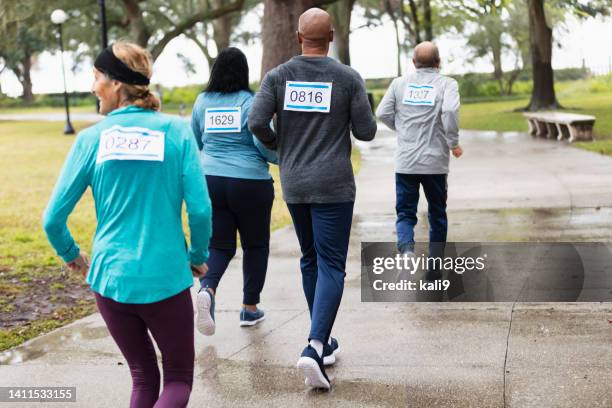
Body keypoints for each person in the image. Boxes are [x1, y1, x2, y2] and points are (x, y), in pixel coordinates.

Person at [42, 41, 212, 408]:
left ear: (117, 84)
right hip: (165, 276)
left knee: (142, 377)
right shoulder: (176, 132)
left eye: (97, 77)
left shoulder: (90, 140)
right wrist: (197, 255)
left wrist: (72, 255)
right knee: (178, 380)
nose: (92, 87)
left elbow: (53, 218)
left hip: (109, 279)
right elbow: (200, 210)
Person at [248, 8, 377, 389]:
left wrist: (280, 146)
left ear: (297, 36)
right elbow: (367, 132)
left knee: (310, 258)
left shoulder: (278, 77)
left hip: (296, 183)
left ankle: (321, 341)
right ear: (332, 37)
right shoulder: (347, 77)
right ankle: (314, 344)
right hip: (334, 184)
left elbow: (256, 122)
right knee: (332, 264)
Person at [191, 47, 278, 335]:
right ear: (244, 72)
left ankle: (208, 289)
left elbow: (197, 140)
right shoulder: (250, 102)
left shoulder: (202, 101)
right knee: (255, 245)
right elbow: (262, 144)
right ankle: (250, 309)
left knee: (219, 246)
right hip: (250, 182)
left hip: (211, 180)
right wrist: (280, 157)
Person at [376, 41, 462, 278]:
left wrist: (402, 129)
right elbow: (450, 111)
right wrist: (453, 142)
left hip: (406, 162)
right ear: (439, 62)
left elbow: (382, 112)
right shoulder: (447, 84)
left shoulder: (399, 84)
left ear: (414, 63)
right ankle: (434, 266)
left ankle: (407, 251)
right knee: (437, 213)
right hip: (435, 162)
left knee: (405, 213)